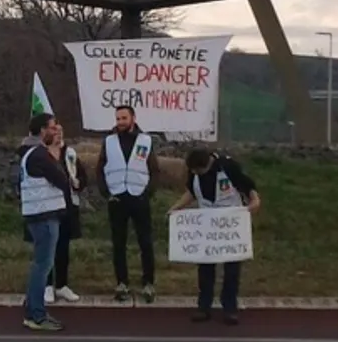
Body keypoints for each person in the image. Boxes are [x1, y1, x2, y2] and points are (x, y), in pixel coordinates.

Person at [169, 146, 261, 325]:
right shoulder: (194, 172)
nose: (197, 174)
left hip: (230, 227)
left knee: (232, 269)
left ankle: (230, 308)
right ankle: (204, 306)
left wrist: (255, 200)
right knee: (204, 268)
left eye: (199, 171)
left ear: (208, 164)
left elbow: (247, 185)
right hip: (206, 226)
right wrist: (176, 208)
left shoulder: (228, 167)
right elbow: (192, 193)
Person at [96, 105, 159, 303]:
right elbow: (100, 168)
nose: (120, 122)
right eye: (118, 118)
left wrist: (148, 193)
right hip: (117, 198)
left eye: (124, 118)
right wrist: (106, 193)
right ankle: (121, 283)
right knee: (119, 243)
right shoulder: (109, 141)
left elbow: (155, 170)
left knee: (145, 242)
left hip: (139, 197)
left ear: (133, 118)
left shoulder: (146, 141)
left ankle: (148, 283)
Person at [17, 112, 70, 332]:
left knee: (40, 265)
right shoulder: (40, 155)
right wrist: (56, 153)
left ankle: (32, 310)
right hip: (44, 216)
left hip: (39, 215)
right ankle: (37, 315)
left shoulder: (30, 153)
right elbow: (61, 178)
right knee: (43, 266)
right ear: (42, 131)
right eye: (52, 127)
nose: (56, 130)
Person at [23, 122, 86, 306]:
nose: (57, 135)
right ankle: (47, 286)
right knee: (47, 249)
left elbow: (82, 176)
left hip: (68, 206)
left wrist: (78, 183)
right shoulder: (42, 155)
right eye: (54, 131)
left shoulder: (70, 153)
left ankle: (62, 284)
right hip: (47, 209)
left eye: (60, 132)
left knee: (63, 247)